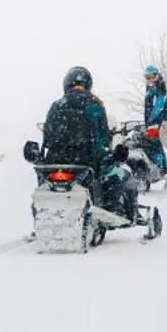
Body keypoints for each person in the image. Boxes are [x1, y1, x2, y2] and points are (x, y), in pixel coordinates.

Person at [41, 66, 136, 219]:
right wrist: (109, 154)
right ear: (89, 83)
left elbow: (47, 135)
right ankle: (117, 210)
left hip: (55, 162)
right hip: (87, 161)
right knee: (122, 175)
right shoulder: (95, 105)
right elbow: (103, 138)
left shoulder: (56, 105)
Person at [140, 63, 167, 181]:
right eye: (146, 77)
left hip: (157, 120)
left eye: (150, 77)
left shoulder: (160, 86)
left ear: (156, 75)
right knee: (149, 143)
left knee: (156, 144)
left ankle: (164, 169)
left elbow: (159, 105)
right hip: (151, 120)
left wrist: (152, 120)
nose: (149, 79)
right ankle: (153, 168)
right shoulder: (150, 86)